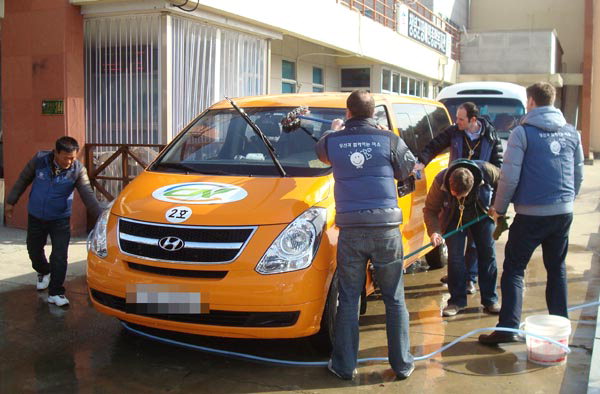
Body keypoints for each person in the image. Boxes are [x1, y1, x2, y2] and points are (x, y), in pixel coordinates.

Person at [315, 90, 416, 380]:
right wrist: (387, 135)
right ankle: (402, 364)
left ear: (347, 113)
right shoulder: (388, 139)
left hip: (352, 230)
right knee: (394, 298)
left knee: (348, 298)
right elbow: (407, 169)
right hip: (386, 230)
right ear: (374, 115)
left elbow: (320, 153)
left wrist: (333, 130)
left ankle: (344, 366)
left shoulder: (333, 141)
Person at [479, 82, 584, 345]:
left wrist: (498, 209)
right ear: (553, 100)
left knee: (514, 268)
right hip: (562, 213)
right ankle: (561, 328)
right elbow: (578, 174)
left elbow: (509, 177)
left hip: (530, 214)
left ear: (531, 102)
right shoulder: (572, 132)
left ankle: (508, 329)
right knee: (556, 267)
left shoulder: (522, 133)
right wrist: (566, 201)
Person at [416, 102, 503, 295]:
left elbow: (499, 170)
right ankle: (457, 284)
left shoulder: (491, 136)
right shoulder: (454, 132)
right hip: (456, 189)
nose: (457, 122)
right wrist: (422, 161)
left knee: (476, 243)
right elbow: (434, 145)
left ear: (473, 120)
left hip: (479, 193)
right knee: (455, 247)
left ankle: (470, 279)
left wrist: (496, 207)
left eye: (461, 119)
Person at [5, 136, 102, 307]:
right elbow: (23, 179)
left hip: (60, 219)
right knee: (33, 251)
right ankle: (44, 271)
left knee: (59, 256)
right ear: (56, 152)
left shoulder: (78, 170)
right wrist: (11, 202)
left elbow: (88, 196)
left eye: (73, 157)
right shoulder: (39, 160)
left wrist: (102, 219)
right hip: (35, 216)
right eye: (66, 157)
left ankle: (56, 292)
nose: (70, 161)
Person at [423, 159, 500, 316]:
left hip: (481, 214)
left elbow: (504, 183)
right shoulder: (440, 180)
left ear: (473, 186)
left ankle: (490, 299)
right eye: (454, 195)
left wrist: (496, 205)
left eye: (461, 195)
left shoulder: (487, 170)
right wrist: (435, 231)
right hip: (453, 217)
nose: (458, 197)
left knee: (488, 254)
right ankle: (456, 301)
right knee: (455, 258)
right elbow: (430, 210)